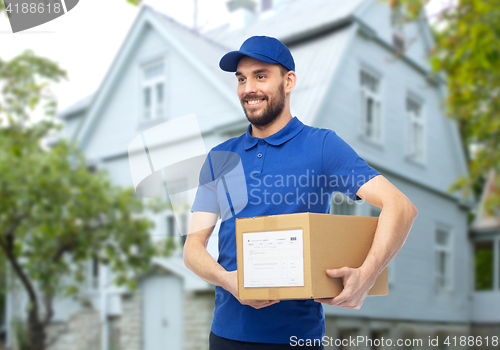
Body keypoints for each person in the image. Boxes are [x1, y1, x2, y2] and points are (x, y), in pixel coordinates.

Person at [183, 35, 418, 350]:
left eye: (261, 76)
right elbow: (192, 248)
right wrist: (228, 281)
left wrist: (367, 275)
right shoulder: (220, 157)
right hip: (226, 335)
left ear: (289, 80)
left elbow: (399, 206)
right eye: (241, 79)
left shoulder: (321, 146)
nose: (247, 88)